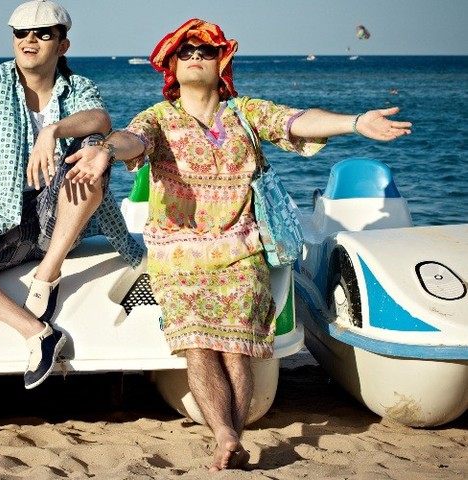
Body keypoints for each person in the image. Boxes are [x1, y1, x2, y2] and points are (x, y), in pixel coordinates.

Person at [65, 19, 412, 472]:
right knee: (197, 344)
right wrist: (107, 150)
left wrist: (356, 122)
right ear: (172, 65)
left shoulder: (245, 113)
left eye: (205, 50)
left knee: (236, 347)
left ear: (221, 62)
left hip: (242, 251)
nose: (195, 56)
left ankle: (233, 434)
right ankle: (225, 434)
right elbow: (134, 139)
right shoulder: (158, 117)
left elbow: (295, 120)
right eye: (185, 51)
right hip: (178, 255)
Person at [0, 1, 143, 390]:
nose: (30, 40)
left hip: (59, 218)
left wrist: (51, 131)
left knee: (93, 145)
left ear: (62, 45)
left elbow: (101, 120)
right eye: (21, 33)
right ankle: (37, 333)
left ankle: (47, 274)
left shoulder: (78, 88)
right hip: (0, 219)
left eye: (43, 33)